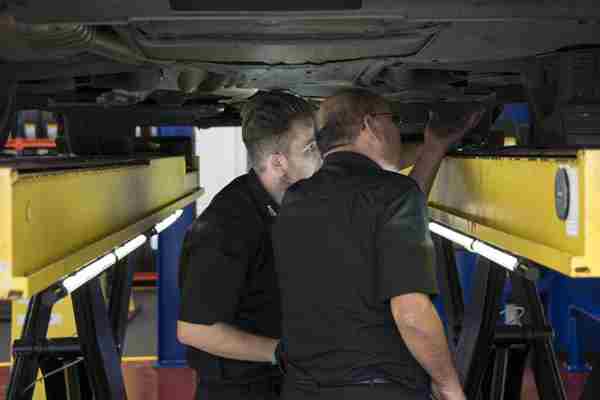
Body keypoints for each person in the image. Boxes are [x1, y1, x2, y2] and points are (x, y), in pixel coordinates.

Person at [273, 88, 484, 400]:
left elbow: (382, 215)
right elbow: (410, 312)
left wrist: (433, 149)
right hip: (378, 388)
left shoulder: (296, 199)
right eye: (393, 119)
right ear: (369, 125)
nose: (397, 130)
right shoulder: (393, 195)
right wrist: (448, 385)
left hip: (303, 388)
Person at [177, 91, 322, 400]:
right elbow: (194, 329)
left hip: (277, 380)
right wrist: (281, 351)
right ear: (278, 163)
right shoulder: (226, 227)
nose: (320, 157)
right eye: (309, 148)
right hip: (237, 390)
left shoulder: (290, 203)